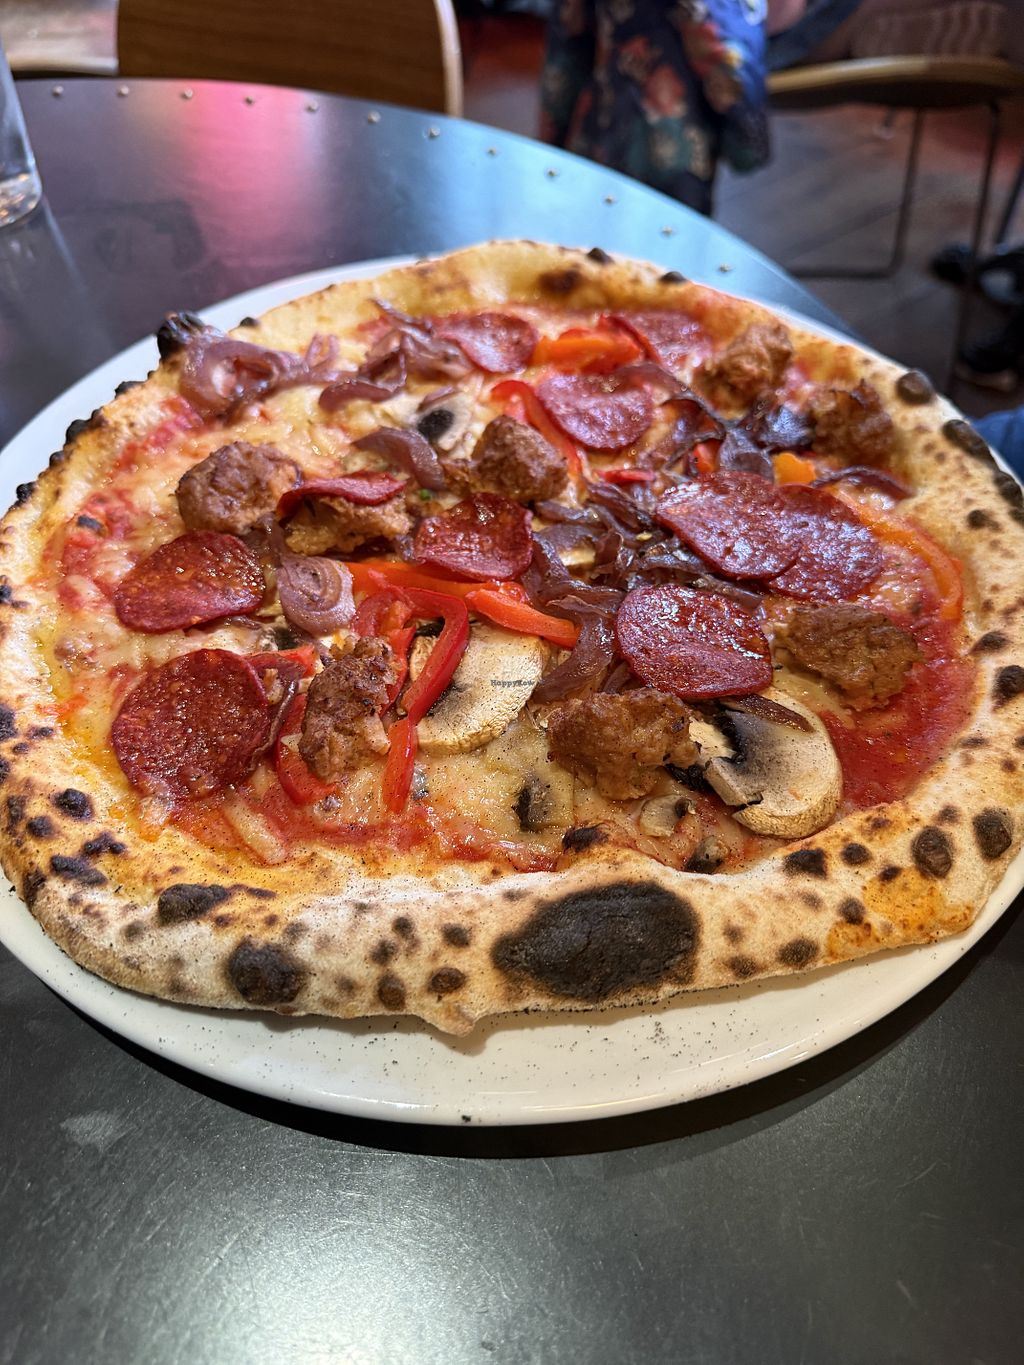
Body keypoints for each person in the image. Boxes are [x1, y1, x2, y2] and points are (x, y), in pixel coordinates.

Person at [540, 1, 772, 215]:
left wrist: (553, 137)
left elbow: (569, 33)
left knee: (590, 217)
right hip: (674, 143)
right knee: (669, 226)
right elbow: (725, 52)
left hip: (610, 121)